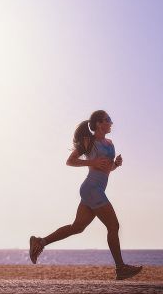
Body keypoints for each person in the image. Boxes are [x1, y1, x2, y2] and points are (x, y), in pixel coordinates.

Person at [29, 110, 143, 281]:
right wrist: (92, 162)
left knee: (77, 227)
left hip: (96, 190)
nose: (111, 122)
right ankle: (120, 268)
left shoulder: (110, 143)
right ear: (98, 123)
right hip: (92, 189)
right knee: (113, 226)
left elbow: (107, 168)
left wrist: (116, 165)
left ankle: (40, 242)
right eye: (107, 119)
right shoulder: (89, 141)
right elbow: (70, 161)